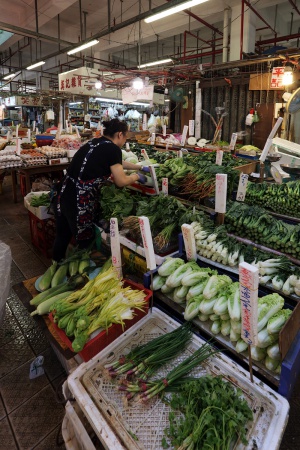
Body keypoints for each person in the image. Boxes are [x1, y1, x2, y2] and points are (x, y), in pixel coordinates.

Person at [52, 118, 148, 262]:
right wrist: (136, 177)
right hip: (80, 201)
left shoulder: (94, 142)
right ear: (120, 134)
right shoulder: (113, 149)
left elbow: (115, 162)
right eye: (126, 136)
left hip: (64, 193)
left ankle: (55, 265)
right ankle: (84, 275)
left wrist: (138, 166)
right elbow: (121, 181)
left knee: (62, 235)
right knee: (85, 242)